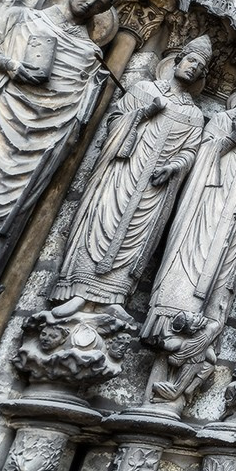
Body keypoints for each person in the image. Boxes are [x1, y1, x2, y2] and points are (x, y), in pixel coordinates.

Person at [0, 0, 116, 281]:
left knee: (16, 193)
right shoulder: (21, 17)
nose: (89, 3)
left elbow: (80, 113)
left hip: (43, 136)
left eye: (98, 4)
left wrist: (93, 90)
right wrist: (11, 66)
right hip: (0, 114)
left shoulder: (88, 53)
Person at [141, 65, 236, 406]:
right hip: (207, 205)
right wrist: (228, 140)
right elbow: (204, 154)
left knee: (221, 278)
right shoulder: (221, 121)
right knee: (190, 266)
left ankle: (193, 363)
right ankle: (172, 342)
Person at [51, 37, 211, 311]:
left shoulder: (194, 115)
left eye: (200, 67)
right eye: (191, 60)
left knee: (138, 236)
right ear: (177, 60)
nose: (194, 68)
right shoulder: (144, 90)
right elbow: (114, 121)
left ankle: (115, 296)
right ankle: (79, 289)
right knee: (102, 220)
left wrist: (173, 167)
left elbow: (190, 152)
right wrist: (144, 113)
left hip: (154, 187)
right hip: (123, 171)